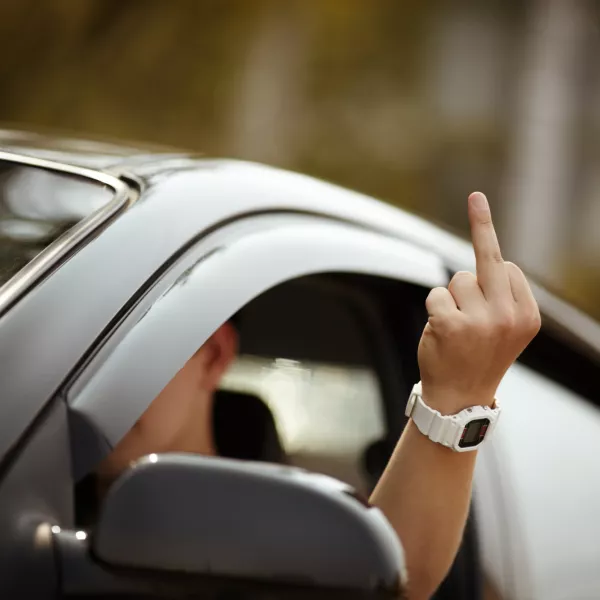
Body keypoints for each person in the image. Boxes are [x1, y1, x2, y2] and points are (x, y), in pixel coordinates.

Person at [80, 192, 541, 600]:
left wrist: (459, 398)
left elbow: (395, 584)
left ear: (215, 354)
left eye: (127, 341)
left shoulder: (295, 547)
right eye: (77, 339)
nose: (90, 372)